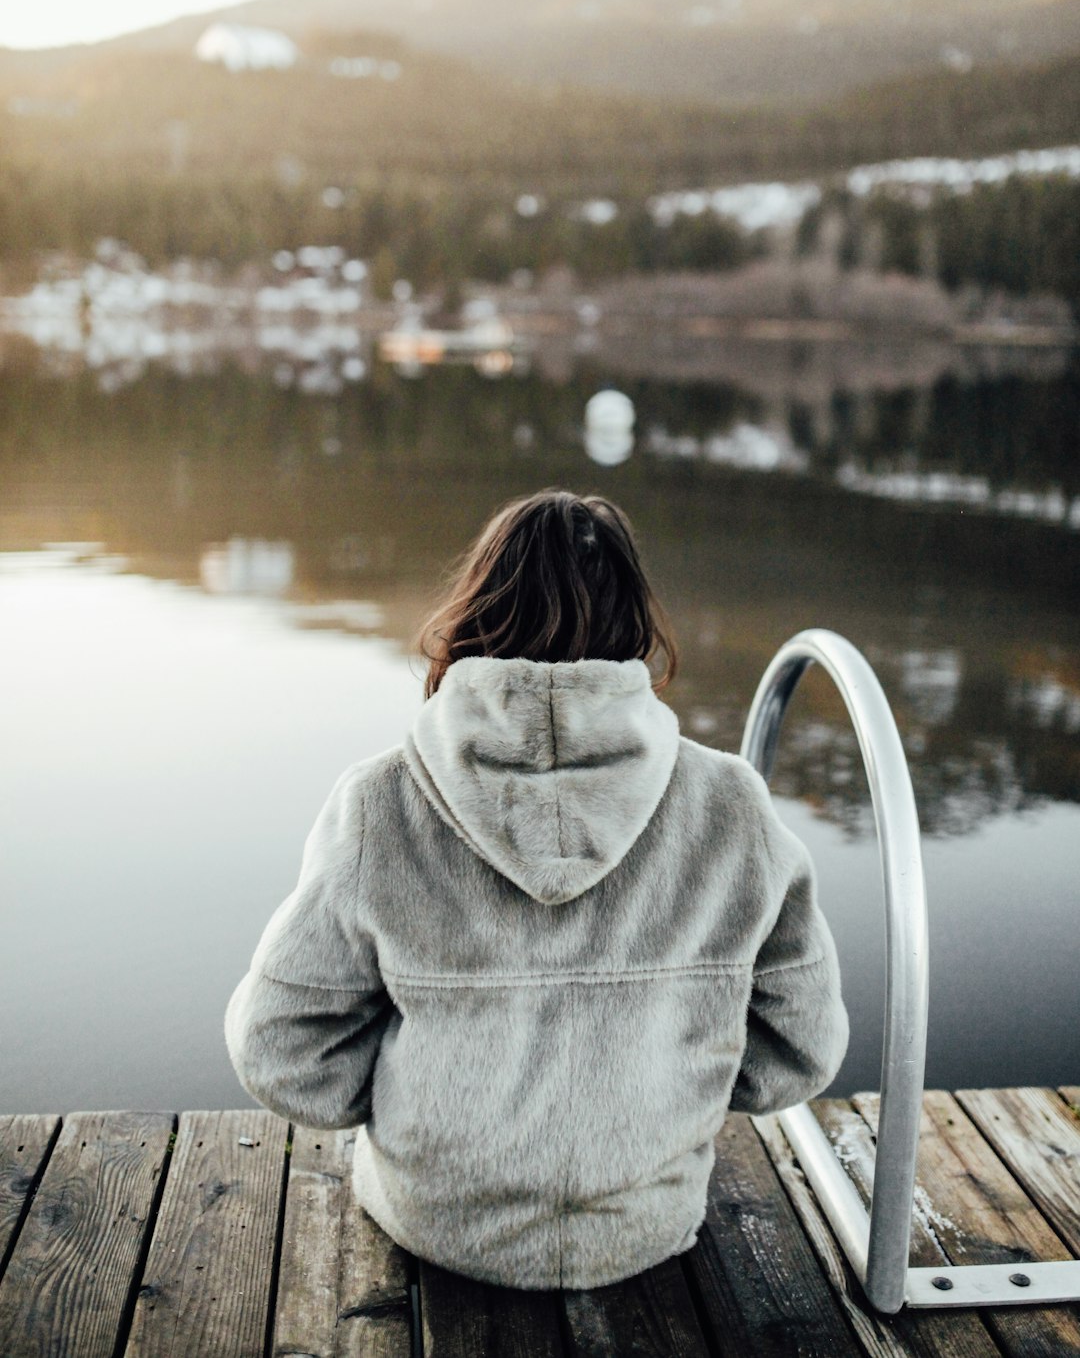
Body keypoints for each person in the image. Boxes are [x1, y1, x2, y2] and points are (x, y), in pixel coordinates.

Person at [224, 489, 848, 1290]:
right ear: (634, 621)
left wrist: (415, 1102)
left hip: (435, 1222)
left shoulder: (380, 804)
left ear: (476, 607)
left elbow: (279, 1052)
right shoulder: (732, 806)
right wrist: (665, 1089)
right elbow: (799, 1051)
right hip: (646, 1228)